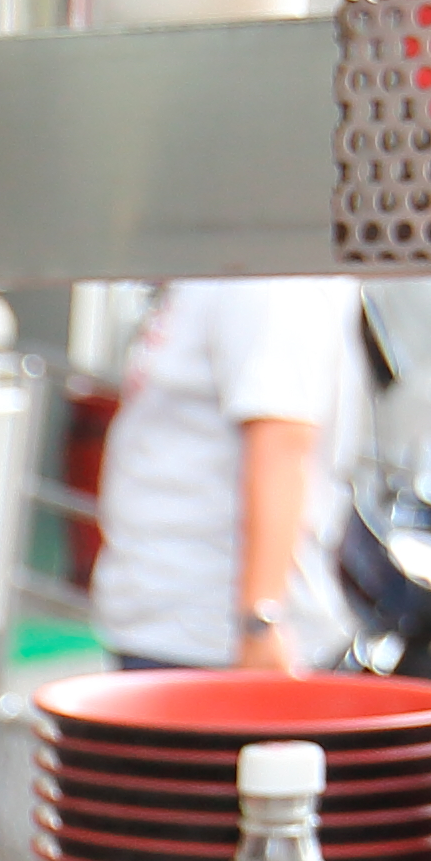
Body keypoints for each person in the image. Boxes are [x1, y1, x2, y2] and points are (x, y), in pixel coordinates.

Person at [92, 275, 361, 673]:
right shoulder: (227, 272)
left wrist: (260, 621)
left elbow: (281, 442)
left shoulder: (268, 281)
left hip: (211, 635)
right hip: (173, 617)